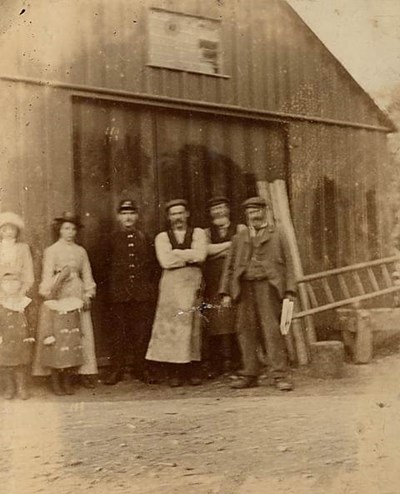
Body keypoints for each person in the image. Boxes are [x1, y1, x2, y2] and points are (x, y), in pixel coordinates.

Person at [219, 197, 296, 391]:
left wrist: (289, 290)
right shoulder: (239, 238)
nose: (254, 216)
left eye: (257, 211)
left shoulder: (278, 235)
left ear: (265, 212)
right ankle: (250, 373)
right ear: (246, 215)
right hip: (244, 289)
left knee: (271, 329)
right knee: (245, 330)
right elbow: (229, 267)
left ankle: (279, 375)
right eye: (250, 213)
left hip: (268, 288)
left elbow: (289, 264)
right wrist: (225, 292)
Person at [32, 212, 98, 395]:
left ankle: (80, 372)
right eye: (66, 228)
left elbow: (87, 275)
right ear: (59, 230)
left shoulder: (80, 251)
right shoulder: (51, 251)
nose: (70, 232)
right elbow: (46, 276)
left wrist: (88, 294)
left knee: (80, 332)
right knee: (59, 334)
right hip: (59, 291)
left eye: (73, 229)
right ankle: (56, 377)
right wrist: (48, 293)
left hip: (76, 291)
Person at [146, 199, 207, 387]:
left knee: (193, 327)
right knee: (173, 327)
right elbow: (165, 261)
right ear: (168, 217)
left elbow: (201, 255)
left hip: (193, 282)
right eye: (174, 214)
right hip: (171, 286)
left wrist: (177, 254)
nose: (178, 217)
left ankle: (193, 370)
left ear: (187, 214)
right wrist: (189, 256)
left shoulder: (198, 233)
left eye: (181, 213)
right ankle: (175, 372)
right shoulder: (162, 237)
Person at [104, 199, 156, 385]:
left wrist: (147, 289)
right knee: (119, 333)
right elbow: (104, 267)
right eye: (124, 213)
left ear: (137, 216)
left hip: (141, 295)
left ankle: (141, 369)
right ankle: (116, 370)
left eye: (132, 213)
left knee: (141, 333)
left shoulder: (145, 238)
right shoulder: (111, 239)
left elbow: (152, 267)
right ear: (119, 217)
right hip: (119, 295)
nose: (128, 217)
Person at [203, 196, 245, 377]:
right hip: (213, 281)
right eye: (214, 209)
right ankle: (217, 363)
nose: (219, 211)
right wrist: (231, 246)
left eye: (221, 207)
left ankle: (237, 361)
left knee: (236, 319)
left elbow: (243, 250)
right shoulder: (206, 232)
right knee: (215, 320)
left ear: (228, 209)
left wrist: (216, 250)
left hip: (234, 279)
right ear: (210, 213)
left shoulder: (240, 228)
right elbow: (205, 251)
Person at [0, 212, 34, 399]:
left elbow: (28, 273)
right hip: (1, 298)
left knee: (20, 343)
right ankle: (8, 387)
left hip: (19, 296)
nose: (8, 232)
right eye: (4, 228)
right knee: (5, 345)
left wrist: (22, 292)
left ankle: (22, 387)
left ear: (16, 231)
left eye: (12, 228)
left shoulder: (23, 248)